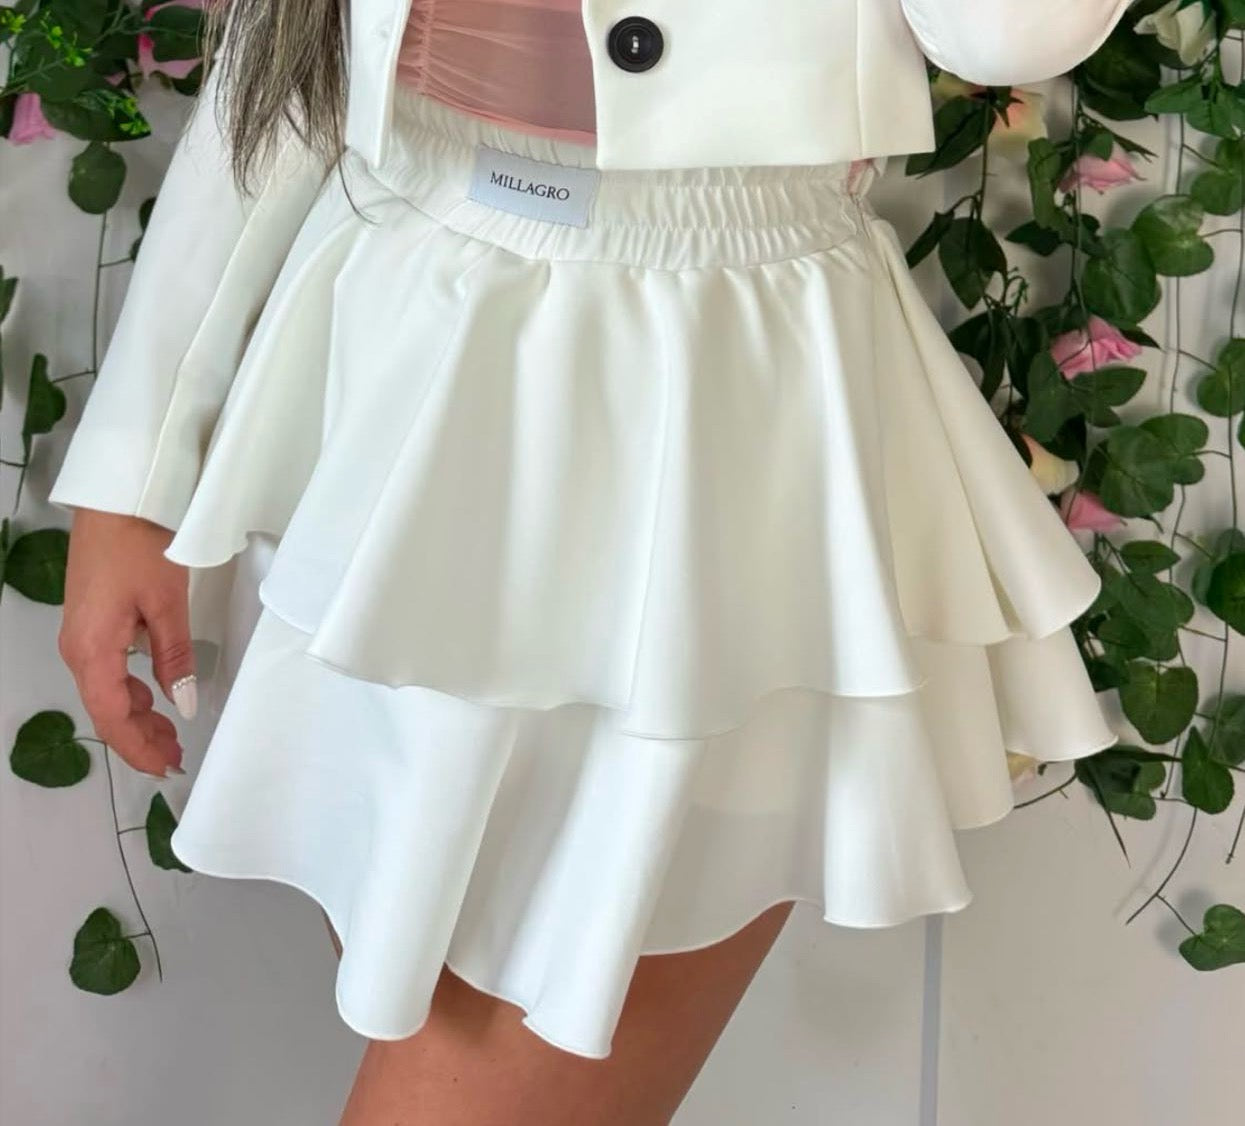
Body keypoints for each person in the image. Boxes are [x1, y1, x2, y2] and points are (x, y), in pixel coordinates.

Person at [51, 1, 1132, 1121]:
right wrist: (132, 472)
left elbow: (1010, 38)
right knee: (430, 1019)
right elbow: (286, 48)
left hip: (719, 401)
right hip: (393, 336)